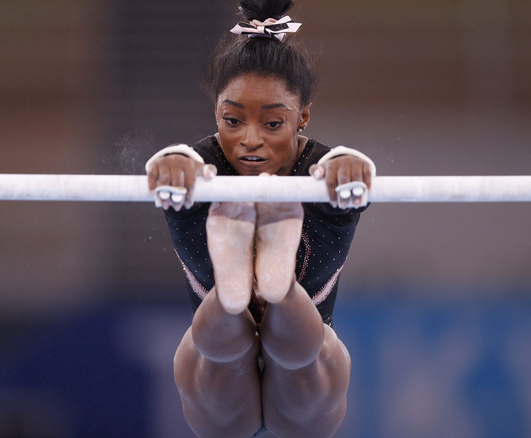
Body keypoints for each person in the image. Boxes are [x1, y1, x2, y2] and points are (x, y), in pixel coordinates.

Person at [144, 1, 375, 436]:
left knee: (222, 396)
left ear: (302, 116)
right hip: (308, 342)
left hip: (216, 340)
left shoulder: (325, 173)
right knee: (303, 399)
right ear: (216, 113)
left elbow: (348, 163)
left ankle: (263, 286)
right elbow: (177, 159)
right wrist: (170, 161)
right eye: (233, 120)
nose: (250, 140)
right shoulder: (197, 170)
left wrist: (352, 165)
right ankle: (272, 287)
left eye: (272, 124)